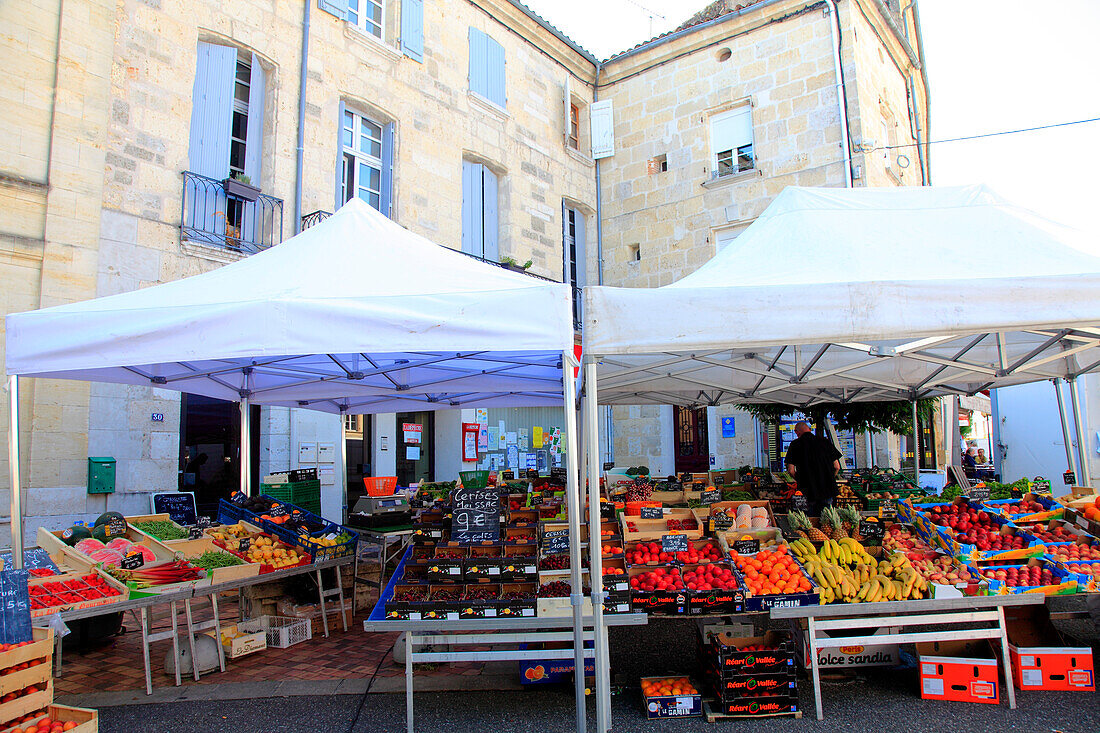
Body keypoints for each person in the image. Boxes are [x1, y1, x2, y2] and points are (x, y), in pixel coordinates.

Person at [784, 422, 842, 516]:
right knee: (827, 519)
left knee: (810, 520)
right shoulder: (825, 442)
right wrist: (830, 477)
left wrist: (800, 480)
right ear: (809, 430)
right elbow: (837, 466)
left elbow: (791, 470)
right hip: (827, 488)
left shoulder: (795, 444)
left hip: (808, 490)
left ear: (797, 432)